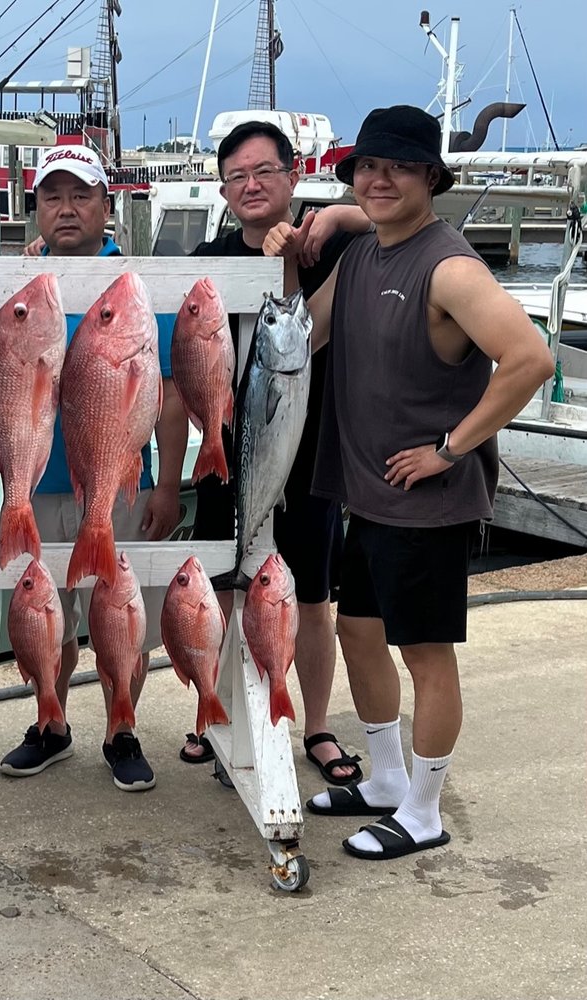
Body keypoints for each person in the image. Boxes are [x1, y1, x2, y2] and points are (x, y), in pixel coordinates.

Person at [265, 105, 553, 859]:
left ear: (430, 175)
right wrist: (299, 244)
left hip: (424, 502)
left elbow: (529, 359)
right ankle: (386, 779)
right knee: (359, 632)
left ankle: (423, 812)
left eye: (397, 166)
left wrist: (449, 449)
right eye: (366, 166)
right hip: (364, 493)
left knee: (425, 654)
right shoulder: (363, 255)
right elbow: (303, 329)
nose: (379, 178)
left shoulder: (450, 266)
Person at [179, 120, 371, 786]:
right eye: (236, 176)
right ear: (223, 189)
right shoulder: (209, 257)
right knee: (224, 588)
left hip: (311, 453)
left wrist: (337, 213)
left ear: (292, 174)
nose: (251, 184)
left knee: (310, 596)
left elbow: (402, 222)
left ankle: (312, 723)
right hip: (225, 454)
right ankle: (218, 707)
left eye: (264, 170)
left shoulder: (337, 242)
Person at [0, 145, 186, 791]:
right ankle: (50, 721)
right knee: (44, 611)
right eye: (51, 196)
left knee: (118, 610)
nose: (66, 208)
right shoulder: (18, 289)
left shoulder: (135, 288)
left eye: (80, 195)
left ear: (107, 205)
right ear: (36, 211)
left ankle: (121, 727)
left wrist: (167, 483)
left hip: (118, 480)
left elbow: (166, 393)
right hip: (36, 485)